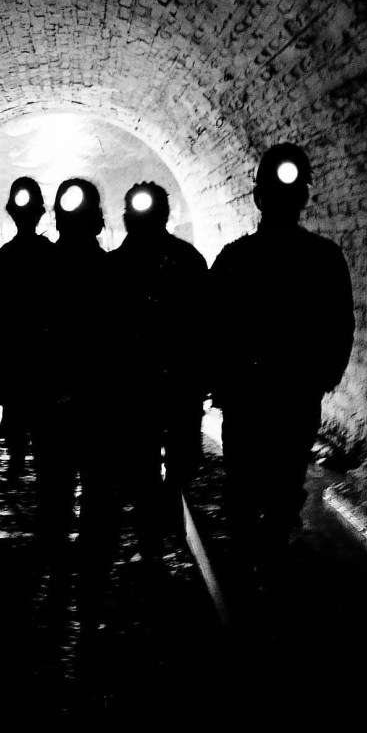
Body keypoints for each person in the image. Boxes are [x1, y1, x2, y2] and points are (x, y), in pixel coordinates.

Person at [209, 143, 354, 578]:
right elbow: (340, 324)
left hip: (251, 395)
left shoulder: (235, 258)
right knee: (281, 478)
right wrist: (324, 376)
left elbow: (210, 326)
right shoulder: (323, 257)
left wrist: (219, 381)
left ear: (257, 198)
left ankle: (251, 558)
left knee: (249, 479)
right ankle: (269, 552)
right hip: (292, 394)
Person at [32, 178, 120, 629]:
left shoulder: (40, 272)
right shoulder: (114, 273)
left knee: (54, 492)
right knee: (99, 497)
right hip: (100, 408)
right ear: (99, 222)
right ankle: (91, 591)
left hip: (55, 407)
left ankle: (59, 581)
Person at [110, 182, 208, 563]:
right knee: (141, 468)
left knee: (173, 462)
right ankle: (152, 537)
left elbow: (206, 322)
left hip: (168, 384)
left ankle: (159, 521)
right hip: (142, 387)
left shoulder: (185, 262)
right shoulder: (119, 267)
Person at [0, 177, 54, 480]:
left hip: (13, 356)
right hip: (45, 357)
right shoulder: (53, 257)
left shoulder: (0, 260)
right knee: (43, 418)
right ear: (41, 212)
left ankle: (18, 459)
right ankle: (40, 466)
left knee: (15, 408)